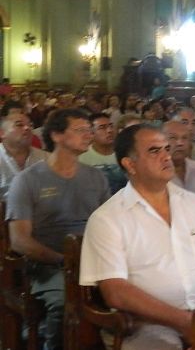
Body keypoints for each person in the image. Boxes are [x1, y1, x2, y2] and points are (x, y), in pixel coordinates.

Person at [79, 124, 195, 349]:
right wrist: (186, 322)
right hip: (145, 324)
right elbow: (115, 291)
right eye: (154, 151)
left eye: (166, 149)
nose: (166, 156)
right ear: (130, 164)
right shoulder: (108, 218)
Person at [6, 109, 110, 350]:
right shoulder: (29, 180)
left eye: (89, 130)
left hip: (93, 259)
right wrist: (64, 260)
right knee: (66, 301)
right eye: (80, 130)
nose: (88, 135)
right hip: (48, 264)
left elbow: (109, 225)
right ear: (57, 135)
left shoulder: (96, 177)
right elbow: (19, 240)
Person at [0, 112, 48, 199]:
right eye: (19, 125)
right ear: (2, 133)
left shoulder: (46, 158)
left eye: (30, 125)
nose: (27, 128)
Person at [80, 113, 128, 194]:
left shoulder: (125, 152)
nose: (109, 130)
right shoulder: (82, 157)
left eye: (111, 126)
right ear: (91, 133)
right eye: (102, 128)